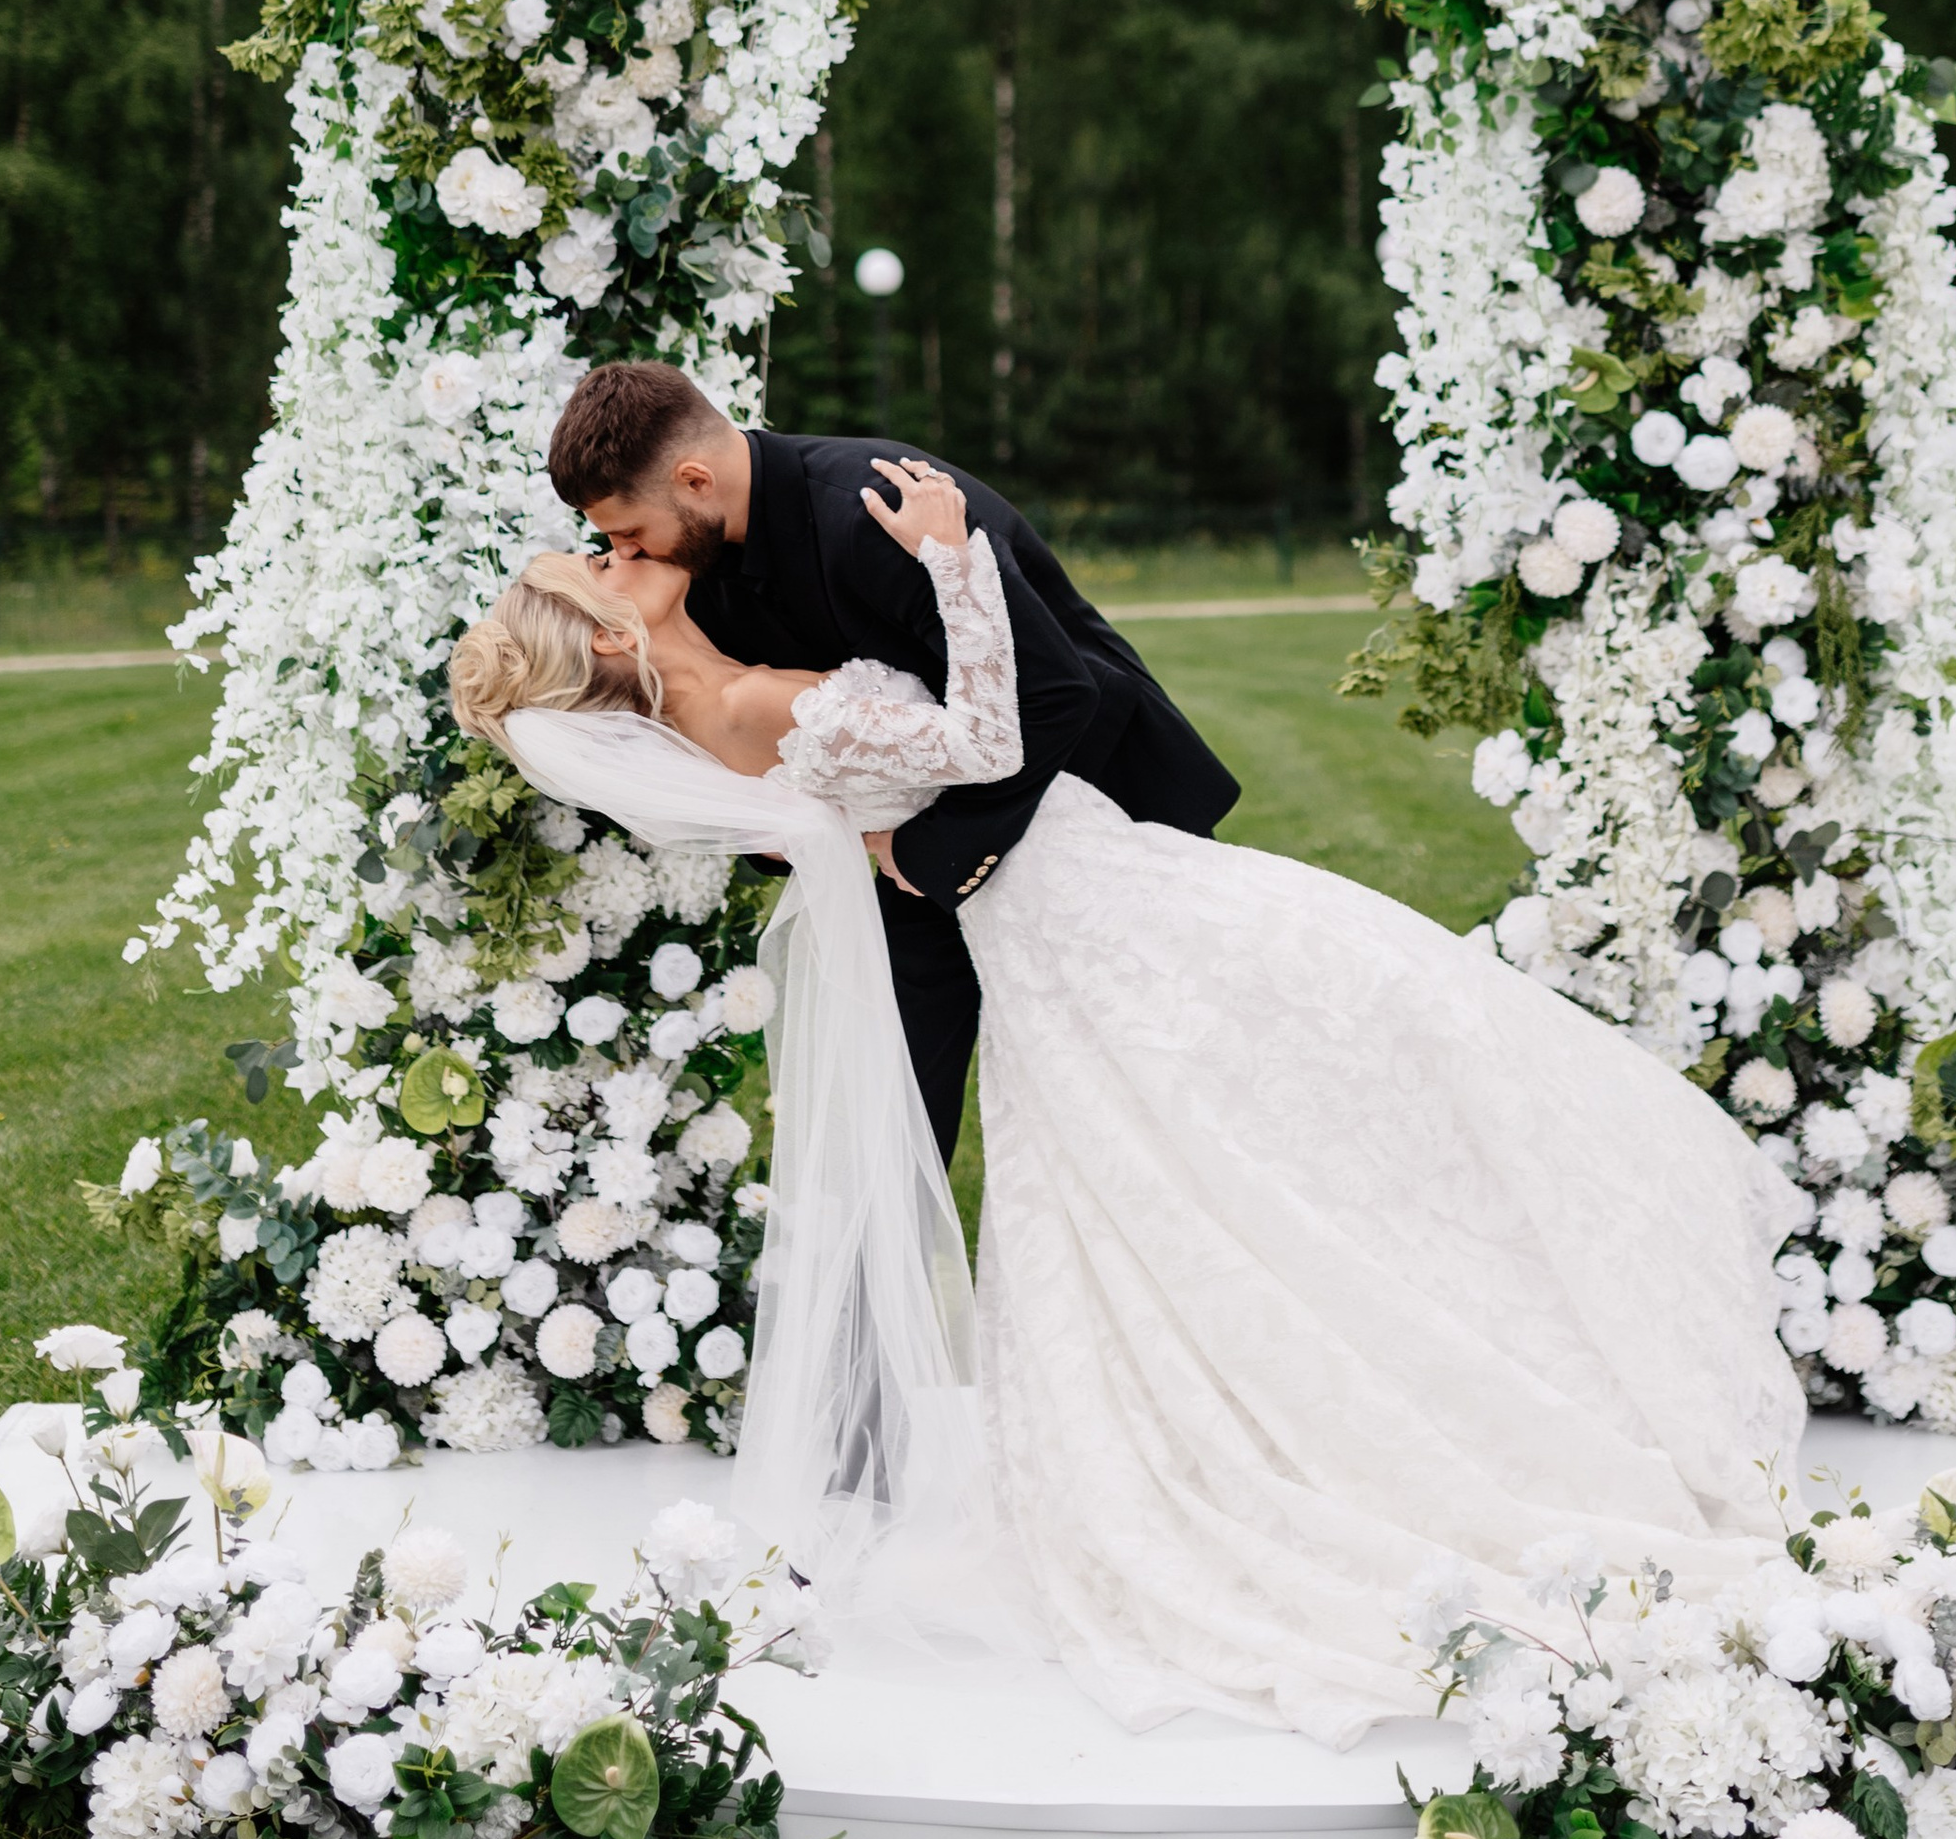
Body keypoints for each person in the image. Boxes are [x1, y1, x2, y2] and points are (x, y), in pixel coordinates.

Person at [449, 472, 1808, 1750]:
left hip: (1060, 916)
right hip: (1092, 907)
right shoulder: (740, 705)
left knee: (1231, 1143)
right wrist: (953, 565)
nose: (617, 551)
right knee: (1388, 1028)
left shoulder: (716, 713)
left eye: (608, 534)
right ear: (612, 634)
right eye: (599, 561)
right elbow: (988, 735)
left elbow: (833, 801)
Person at [542, 360, 1237, 1169]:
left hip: (1090, 801)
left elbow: (1053, 695)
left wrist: (930, 855)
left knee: (1166, 1091)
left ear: (694, 480)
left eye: (628, 533)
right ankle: (883, 1281)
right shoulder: (694, 567)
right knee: (891, 1107)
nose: (624, 553)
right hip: (923, 840)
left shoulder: (875, 507)